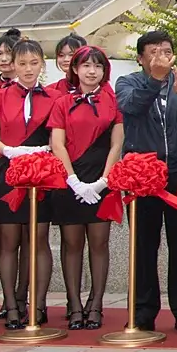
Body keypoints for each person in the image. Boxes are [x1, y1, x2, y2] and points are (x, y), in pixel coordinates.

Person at [117, 30, 177, 333]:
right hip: (142, 174)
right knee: (143, 245)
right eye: (153, 52)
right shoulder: (129, 83)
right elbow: (130, 108)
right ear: (141, 58)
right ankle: (143, 310)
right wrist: (154, 79)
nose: (161, 57)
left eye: (166, 51)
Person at [50, 45, 123, 330]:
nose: (92, 71)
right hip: (71, 179)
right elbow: (57, 142)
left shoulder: (113, 101)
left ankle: (96, 304)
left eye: (98, 66)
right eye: (86, 66)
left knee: (99, 243)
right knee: (71, 244)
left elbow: (117, 143)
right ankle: (74, 304)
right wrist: (73, 181)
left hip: (102, 177)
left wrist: (104, 180)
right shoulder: (61, 103)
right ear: (75, 69)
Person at [0, 38, 57, 330]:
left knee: (38, 239)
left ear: (42, 64)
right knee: (8, 239)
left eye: (34, 63)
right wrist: (11, 151)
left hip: (42, 175)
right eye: (22, 63)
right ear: (12, 65)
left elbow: (57, 138)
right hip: (7, 173)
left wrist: (41, 153)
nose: (28, 69)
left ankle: (37, 304)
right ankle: (12, 305)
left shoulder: (54, 98)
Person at [46, 33, 88, 104]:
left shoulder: (97, 88)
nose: (66, 59)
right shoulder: (51, 90)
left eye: (71, 55)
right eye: (61, 55)